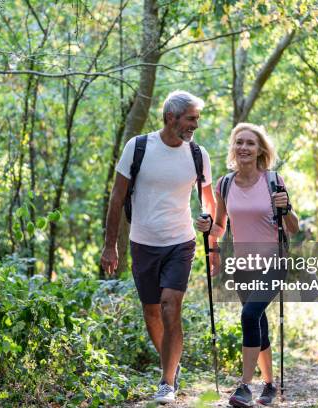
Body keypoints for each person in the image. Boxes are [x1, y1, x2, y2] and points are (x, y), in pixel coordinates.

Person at [101, 90, 216, 404]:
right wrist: (110, 246)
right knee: (151, 312)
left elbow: (209, 199)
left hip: (180, 242)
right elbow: (116, 198)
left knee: (169, 306)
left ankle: (167, 383)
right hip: (143, 243)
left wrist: (213, 232)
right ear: (171, 117)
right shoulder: (138, 147)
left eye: (196, 119)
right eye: (190, 118)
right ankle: (172, 364)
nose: (195, 125)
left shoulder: (197, 154)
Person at [196, 123, 299, 407]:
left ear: (260, 150)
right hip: (243, 266)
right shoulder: (224, 184)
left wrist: (286, 207)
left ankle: (244, 387)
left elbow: (293, 227)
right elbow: (219, 227)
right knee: (258, 321)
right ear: (233, 148)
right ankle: (269, 385)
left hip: (274, 263)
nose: (244, 148)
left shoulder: (274, 181)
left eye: (250, 143)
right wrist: (206, 228)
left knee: (249, 315)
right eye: (239, 142)